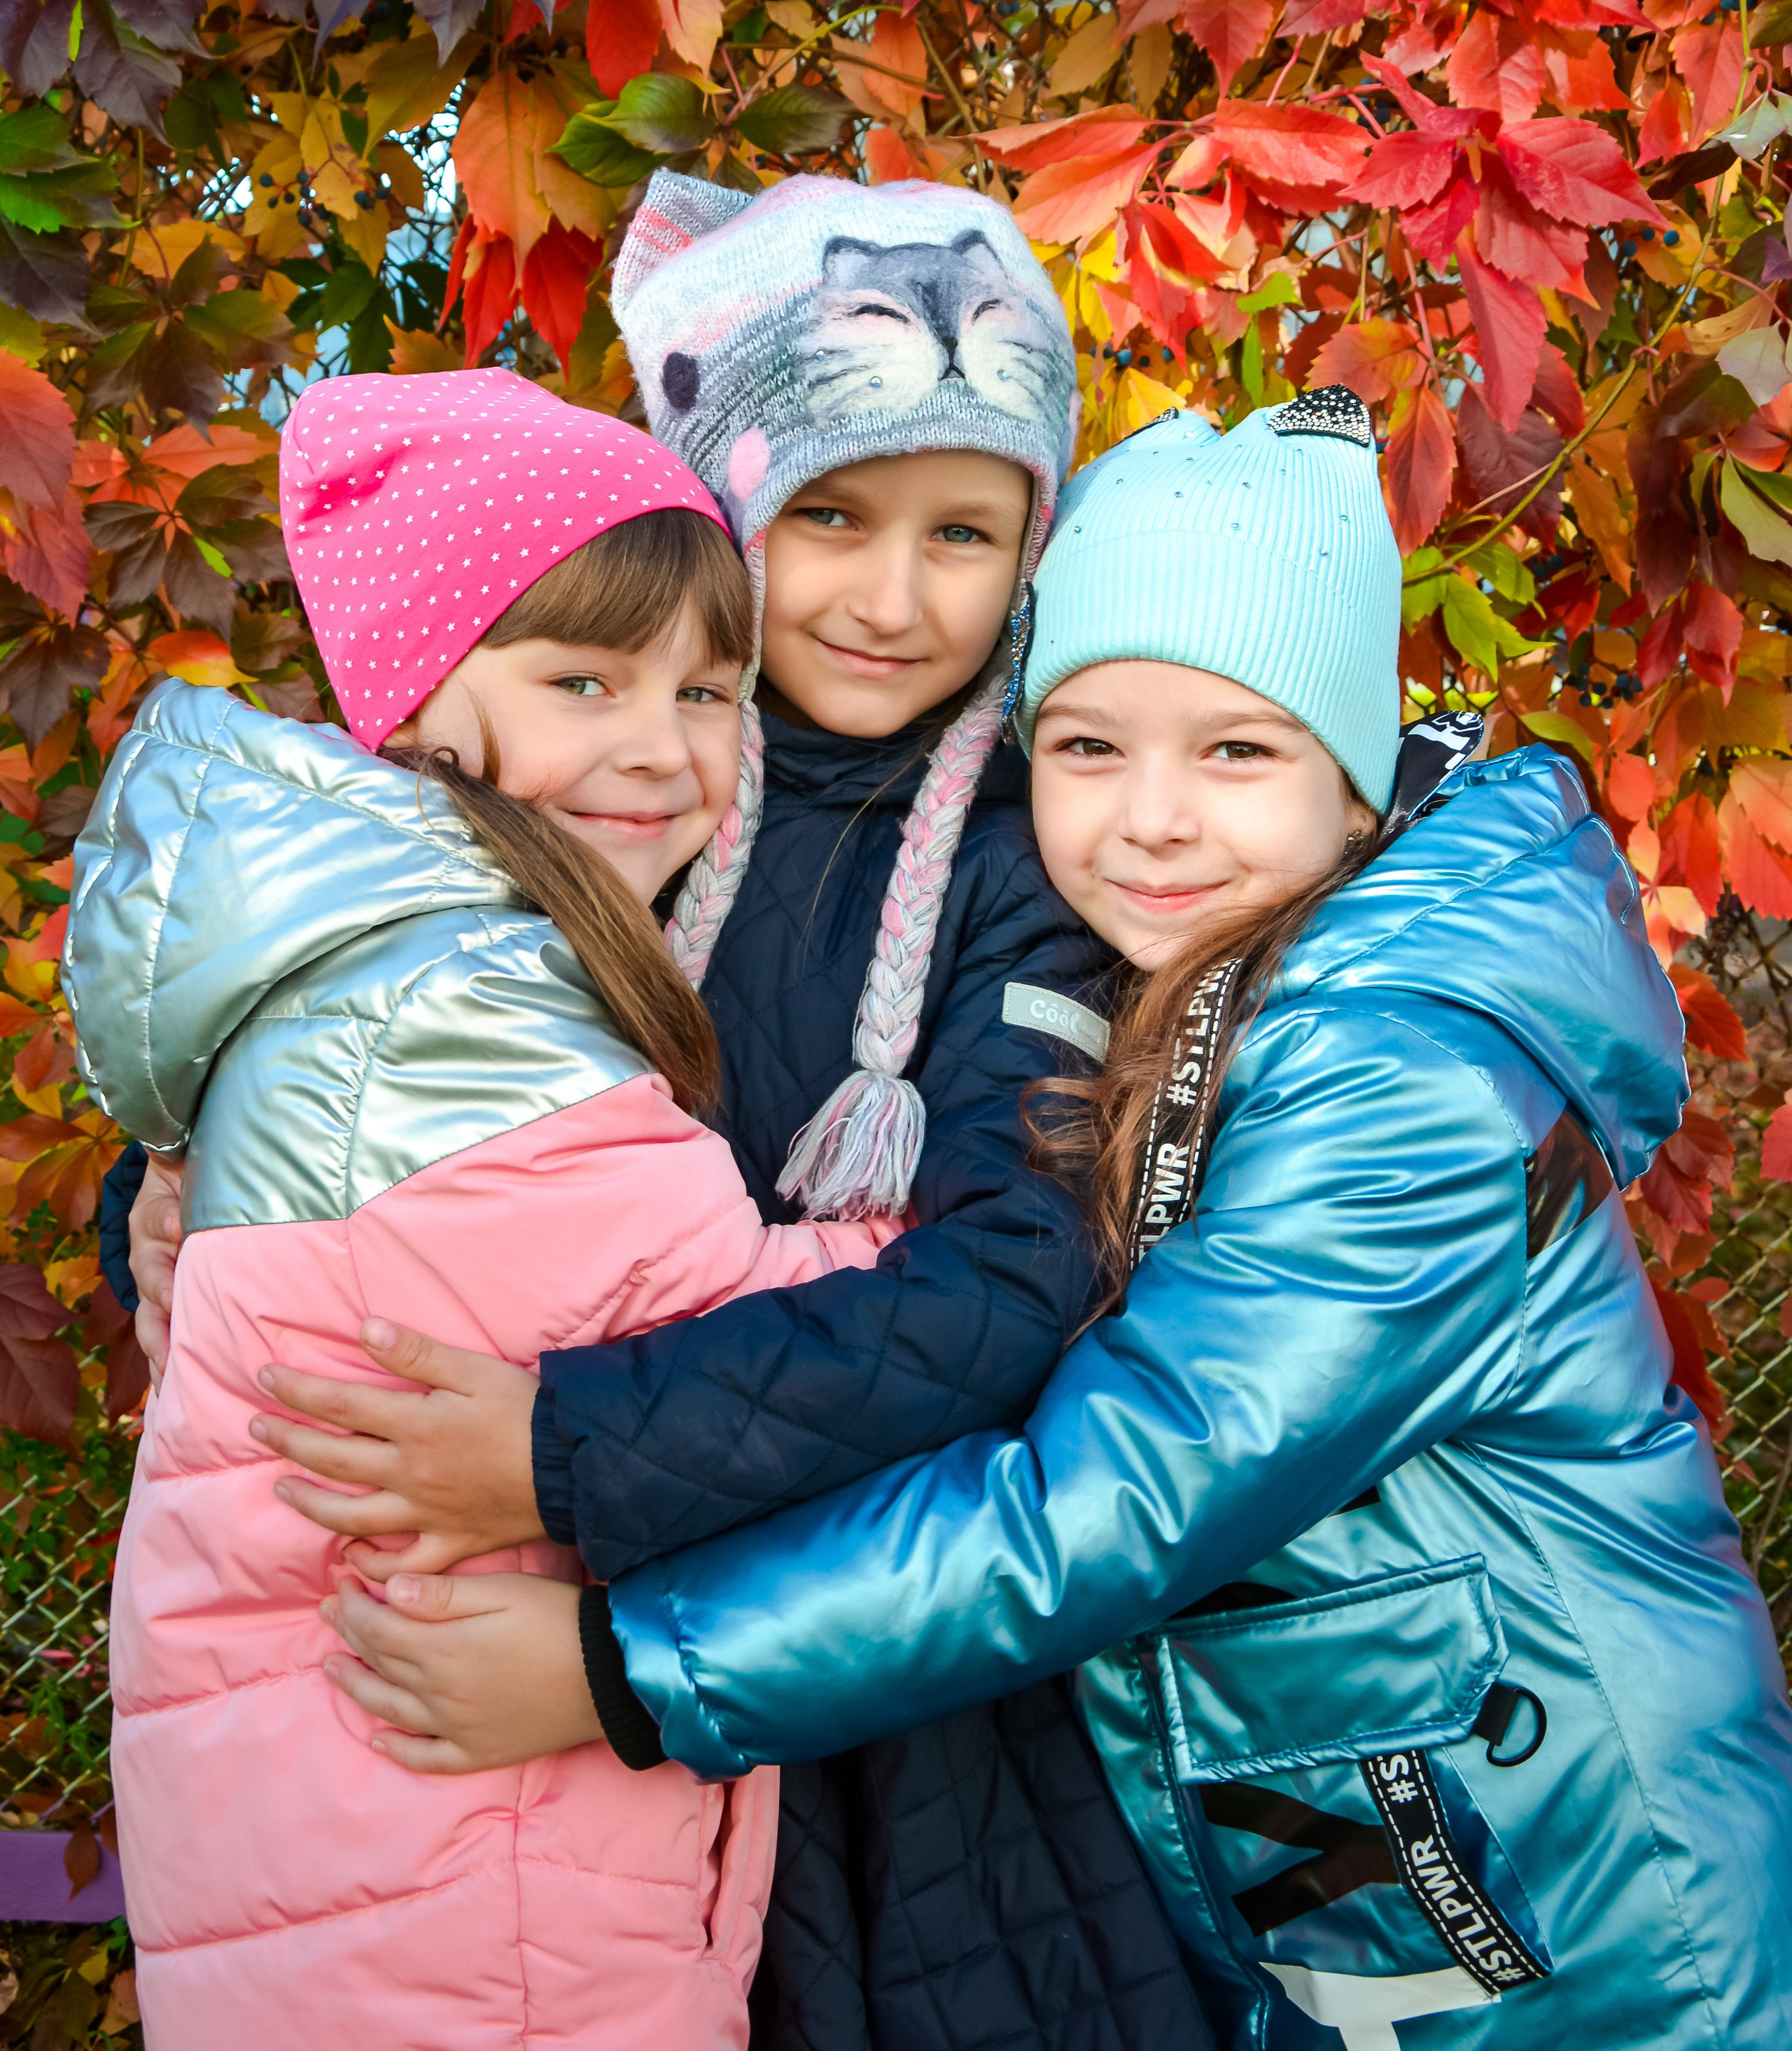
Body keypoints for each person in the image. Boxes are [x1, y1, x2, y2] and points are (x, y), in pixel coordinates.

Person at [312, 395, 1792, 2049]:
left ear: (1354, 770)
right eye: (1086, 747)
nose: (1148, 817)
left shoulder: (1404, 1074)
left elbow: (1120, 1494)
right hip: (1370, 1841)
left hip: (1591, 1896)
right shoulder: (1215, 976)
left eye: (1235, 751)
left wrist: (627, 1669)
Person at [116, 174, 1212, 2051]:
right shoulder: (600, 798)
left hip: (901, 1710)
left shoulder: (1028, 868)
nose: (892, 598)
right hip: (553, 1754)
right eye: (832, 517)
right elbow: (354, 1130)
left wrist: (561, 1451)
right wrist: (169, 1206)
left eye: (962, 532)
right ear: (718, 509)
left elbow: (1018, 1284)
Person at [64, 370, 906, 2051]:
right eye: (584, 680)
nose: (661, 747)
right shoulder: (453, 1006)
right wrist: (984, 1225)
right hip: (472, 1882)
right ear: (419, 700)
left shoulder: (377, 948)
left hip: (367, 1847)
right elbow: (734, 1327)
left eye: (707, 690)